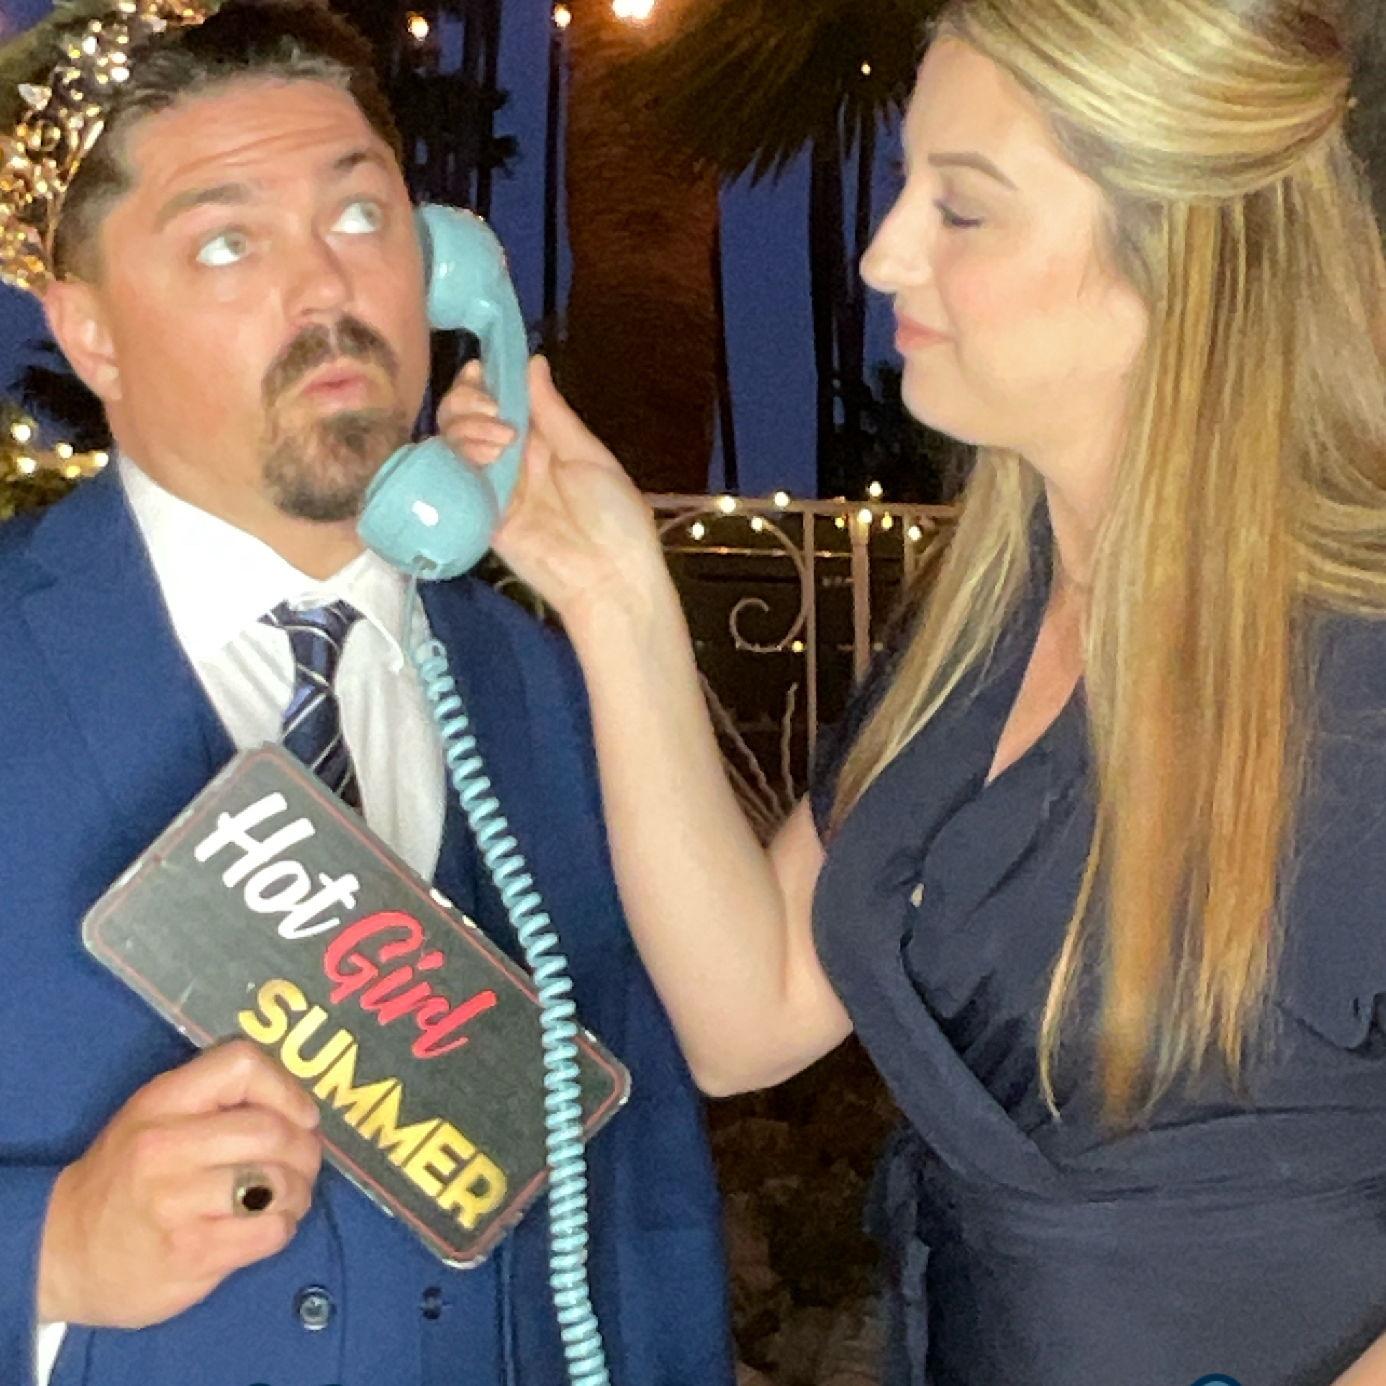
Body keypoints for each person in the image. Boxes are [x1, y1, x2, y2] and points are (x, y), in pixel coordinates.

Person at [446, 0, 1386, 1381]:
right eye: (905, 190)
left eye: (964, 209)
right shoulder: (985, 618)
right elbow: (752, 1010)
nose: (885, 253)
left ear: (1175, 252)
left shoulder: (1359, 658)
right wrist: (612, 592)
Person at [0, 3, 734, 1384]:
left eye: (362, 216)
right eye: (229, 243)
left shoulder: (555, 686)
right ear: (90, 332)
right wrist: (48, 1249)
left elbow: (645, 1200)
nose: (327, 288)